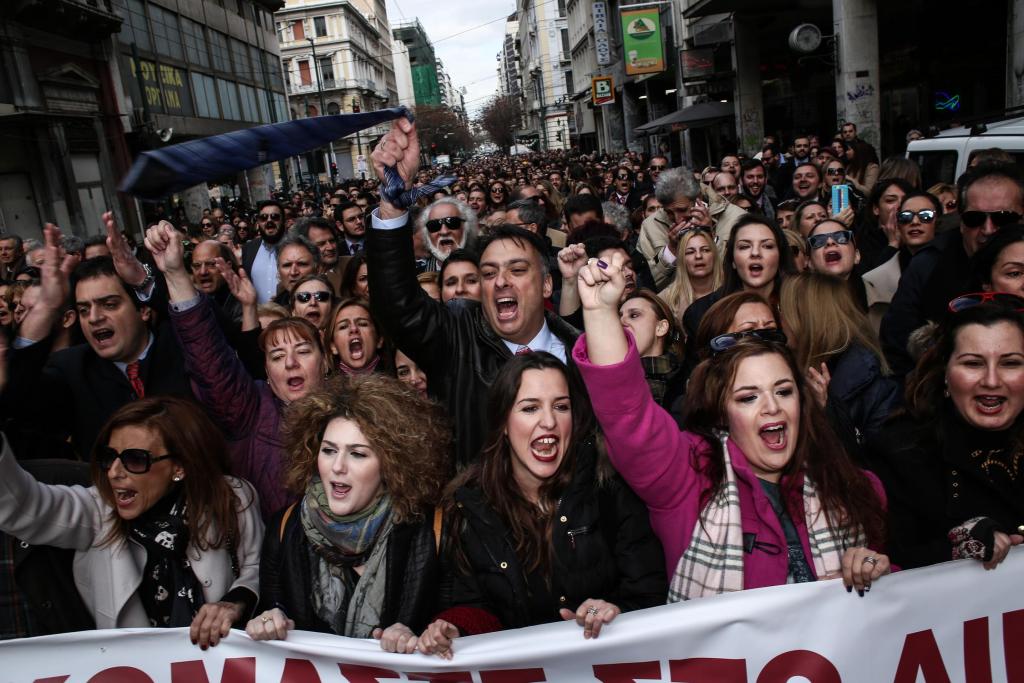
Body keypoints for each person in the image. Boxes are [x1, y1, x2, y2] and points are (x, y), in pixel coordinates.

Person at [572, 252, 891, 599]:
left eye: (784, 391)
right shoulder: (688, 478)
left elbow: (896, 599)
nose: (772, 407)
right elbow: (628, 414)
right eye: (748, 397)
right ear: (722, 412)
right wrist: (600, 311)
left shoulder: (849, 486)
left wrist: (877, 572)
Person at [416, 354, 666, 656]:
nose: (549, 422)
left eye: (561, 407)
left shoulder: (608, 488)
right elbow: (474, 605)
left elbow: (651, 597)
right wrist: (454, 627)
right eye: (530, 408)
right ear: (503, 422)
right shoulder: (469, 506)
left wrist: (612, 611)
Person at [366, 119, 578, 470]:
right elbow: (398, 306)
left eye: (517, 270)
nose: (501, 281)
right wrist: (392, 207)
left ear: (546, 285)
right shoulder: (457, 339)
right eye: (489, 273)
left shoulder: (584, 353)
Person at [0, 398, 262, 645]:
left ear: (179, 467)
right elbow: (23, 507)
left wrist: (234, 602)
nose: (114, 472)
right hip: (133, 667)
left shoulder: (230, 496)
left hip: (213, 665)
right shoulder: (96, 510)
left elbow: (257, 568)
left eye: (135, 459)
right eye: (109, 457)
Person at [246, 375, 448, 649]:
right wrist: (269, 619)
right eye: (329, 450)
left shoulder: (431, 529)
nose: (338, 466)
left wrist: (424, 634)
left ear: (391, 465)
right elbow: (272, 603)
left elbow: (460, 617)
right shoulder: (285, 527)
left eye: (358, 454)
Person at [146, 221, 332, 518]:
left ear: (325, 361)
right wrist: (175, 274)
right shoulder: (253, 410)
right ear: (266, 372)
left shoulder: (355, 409)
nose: (290, 363)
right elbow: (209, 359)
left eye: (303, 351)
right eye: (277, 356)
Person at [2, 219, 193, 459]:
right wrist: (45, 309)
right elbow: (17, 402)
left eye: (109, 304)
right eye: (83, 309)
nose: (94, 318)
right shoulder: (70, 369)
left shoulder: (182, 347)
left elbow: (214, 333)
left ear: (143, 310)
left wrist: (146, 282)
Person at [869, 301, 1024, 570]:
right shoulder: (900, 454)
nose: (991, 380)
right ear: (945, 374)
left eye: (1010, 363)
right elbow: (889, 564)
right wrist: (957, 547)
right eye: (973, 363)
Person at [881, 163, 1024, 380]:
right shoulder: (927, 265)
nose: (988, 230)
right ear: (961, 222)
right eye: (975, 219)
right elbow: (896, 345)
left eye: (1003, 218)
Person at [779, 272, 898, 447]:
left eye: (782, 309)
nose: (779, 318)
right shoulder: (788, 366)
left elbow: (869, 459)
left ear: (804, 317)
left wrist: (826, 413)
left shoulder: (874, 388)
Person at [681, 215, 796, 347]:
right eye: (744, 246)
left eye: (767, 246)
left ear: (780, 257)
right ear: (733, 261)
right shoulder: (701, 313)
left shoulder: (801, 306)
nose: (755, 253)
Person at [862, 192, 941, 332]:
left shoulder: (956, 266)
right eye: (906, 217)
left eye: (925, 215)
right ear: (898, 225)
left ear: (938, 221)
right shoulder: (874, 279)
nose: (914, 222)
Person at [620, 290, 685, 412]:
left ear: (661, 328)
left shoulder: (684, 383)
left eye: (634, 315)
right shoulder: (611, 381)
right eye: (618, 317)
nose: (621, 322)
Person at [657, 227, 722, 329]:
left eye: (705, 250)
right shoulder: (666, 299)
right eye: (690, 252)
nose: (698, 256)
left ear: (714, 255)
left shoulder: (732, 288)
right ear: (682, 259)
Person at [242, 200, 286, 304]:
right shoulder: (249, 248)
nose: (269, 221)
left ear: (283, 220)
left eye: (275, 217)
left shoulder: (295, 247)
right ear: (258, 222)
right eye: (264, 217)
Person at [417, 198, 478, 273]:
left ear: (466, 227)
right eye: (434, 225)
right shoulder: (417, 276)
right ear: (427, 234)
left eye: (453, 223)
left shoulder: (482, 269)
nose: (444, 231)